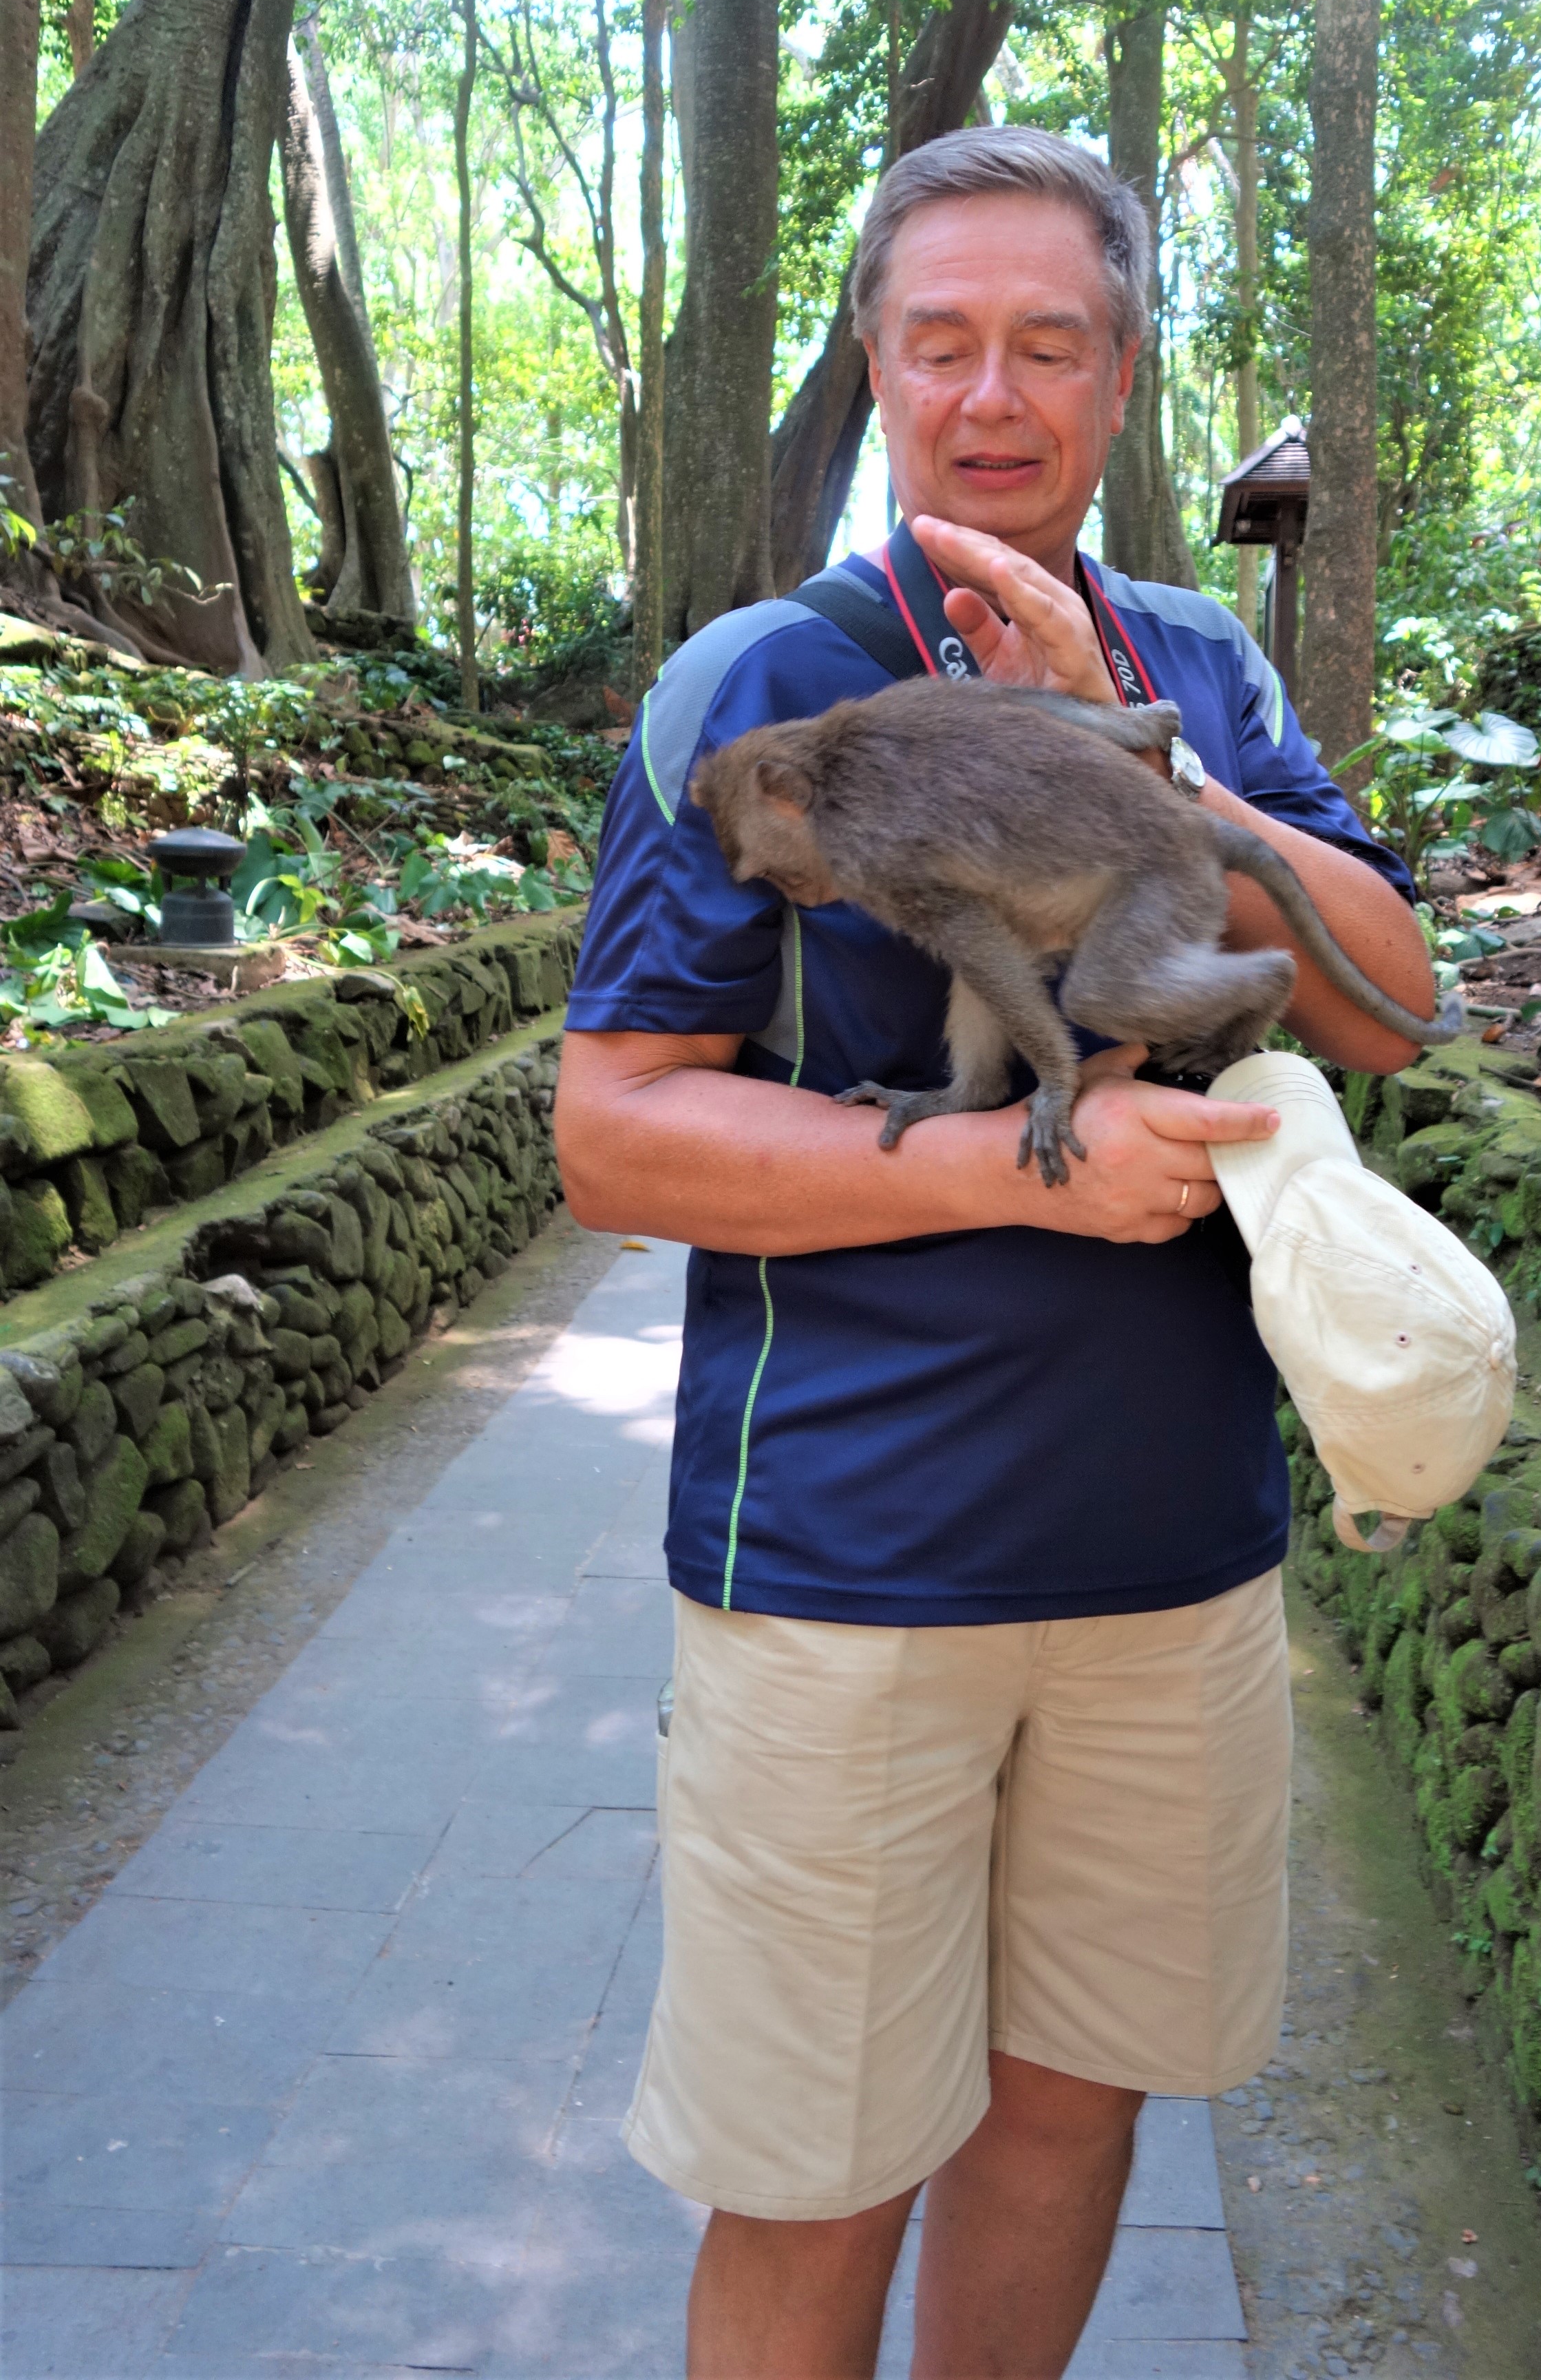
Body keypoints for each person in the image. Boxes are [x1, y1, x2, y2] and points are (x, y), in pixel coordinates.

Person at [555, 127, 1434, 2380]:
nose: (993, 393)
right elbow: (614, 1134)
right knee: (818, 2174)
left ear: (1123, 377)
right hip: (850, 1561)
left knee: (1068, 2116)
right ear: (876, 370)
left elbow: (1392, 1005)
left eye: (1050, 343)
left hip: (1174, 1557)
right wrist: (995, 1167)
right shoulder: (765, 690)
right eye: (940, 342)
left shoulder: (1201, 663)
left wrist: (1176, 789)